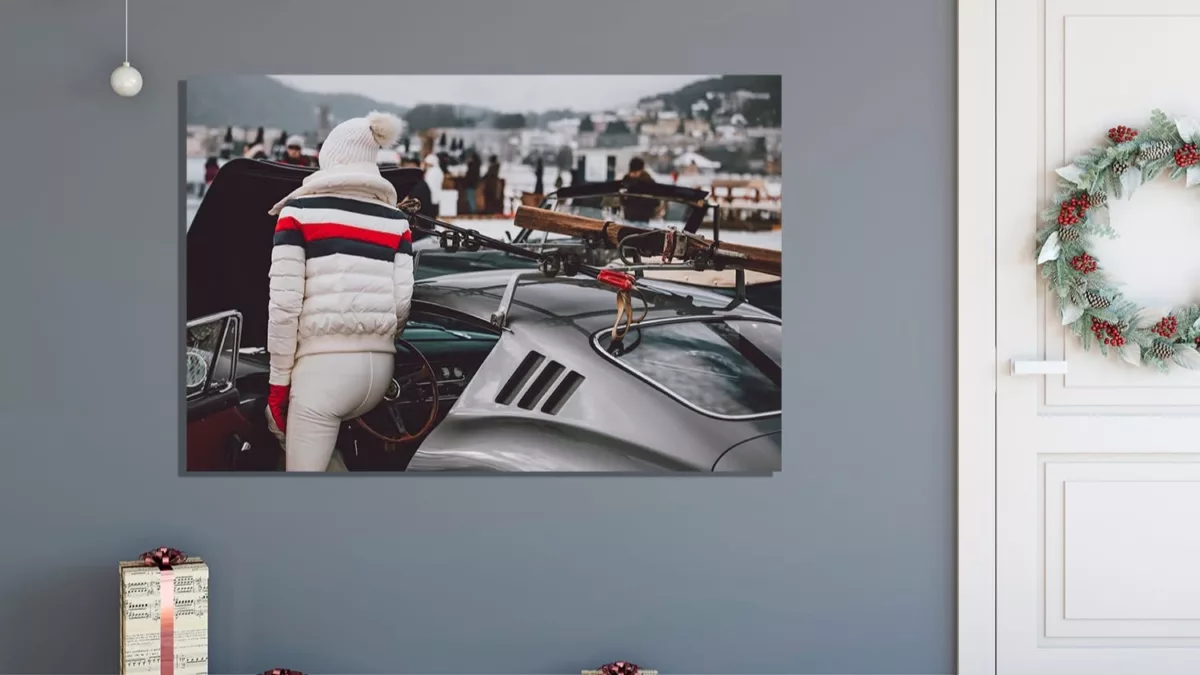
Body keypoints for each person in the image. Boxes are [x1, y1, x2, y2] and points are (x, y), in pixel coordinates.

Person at [263, 111, 414, 472]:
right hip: (379, 371)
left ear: (328, 158)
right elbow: (402, 301)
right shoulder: (396, 220)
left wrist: (278, 383)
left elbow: (284, 306)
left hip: (323, 373)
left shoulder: (299, 212)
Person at [400, 154, 436, 236]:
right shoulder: (406, 184)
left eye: (411, 167)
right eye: (406, 167)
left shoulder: (420, 185)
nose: (408, 171)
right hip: (415, 227)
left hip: (419, 229)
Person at [620, 157, 659, 223]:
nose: (634, 174)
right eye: (632, 172)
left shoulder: (648, 181)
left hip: (643, 218)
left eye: (636, 171)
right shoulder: (627, 179)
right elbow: (622, 198)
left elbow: (656, 201)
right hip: (628, 218)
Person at [420, 152, 444, 218]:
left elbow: (427, 184)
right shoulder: (438, 170)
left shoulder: (432, 171)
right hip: (435, 196)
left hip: (430, 196)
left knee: (430, 215)